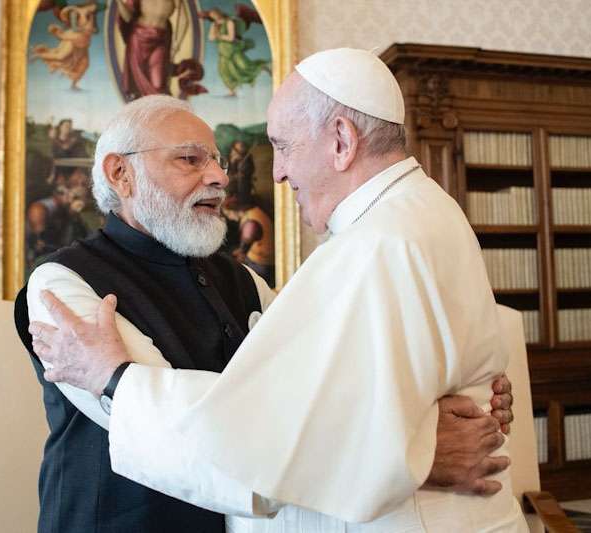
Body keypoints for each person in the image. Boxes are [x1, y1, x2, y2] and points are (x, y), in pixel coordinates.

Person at [30, 49, 526, 531]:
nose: (223, 177)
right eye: (189, 159)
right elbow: (251, 428)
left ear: (341, 141)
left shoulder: (266, 272)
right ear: (121, 173)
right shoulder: (61, 283)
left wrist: (406, 442)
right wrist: (413, 450)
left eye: (281, 147)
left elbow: (293, 410)